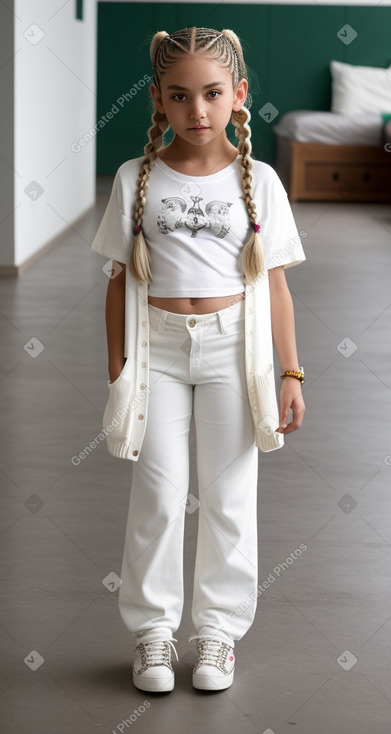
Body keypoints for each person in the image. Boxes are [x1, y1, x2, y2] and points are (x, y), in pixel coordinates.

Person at [90, 26, 306, 694]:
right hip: (155, 351)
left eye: (212, 94)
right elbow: (117, 280)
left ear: (238, 94)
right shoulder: (135, 179)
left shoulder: (259, 181)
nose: (198, 111)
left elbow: (273, 285)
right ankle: (152, 633)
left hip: (231, 354)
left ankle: (216, 634)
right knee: (156, 494)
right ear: (157, 99)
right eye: (179, 96)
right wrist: (120, 368)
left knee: (228, 496)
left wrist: (290, 373)